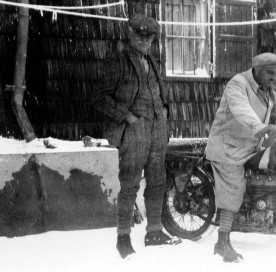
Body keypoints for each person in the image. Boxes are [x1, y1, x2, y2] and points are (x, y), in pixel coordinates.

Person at [92, 15, 181, 259]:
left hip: (156, 131)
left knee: (157, 181)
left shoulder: (152, 61)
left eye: (149, 36)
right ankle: (123, 238)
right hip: (133, 132)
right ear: (129, 35)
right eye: (139, 35)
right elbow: (99, 98)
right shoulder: (117, 61)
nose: (144, 40)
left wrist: (164, 112)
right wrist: (127, 117)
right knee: (130, 183)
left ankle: (154, 232)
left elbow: (160, 94)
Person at [205, 52, 276, 263]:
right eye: (270, 73)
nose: (273, 78)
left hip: (250, 146)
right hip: (228, 147)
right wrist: (260, 127)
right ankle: (222, 241)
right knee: (234, 186)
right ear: (257, 70)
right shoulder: (238, 84)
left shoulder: (268, 92)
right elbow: (241, 109)